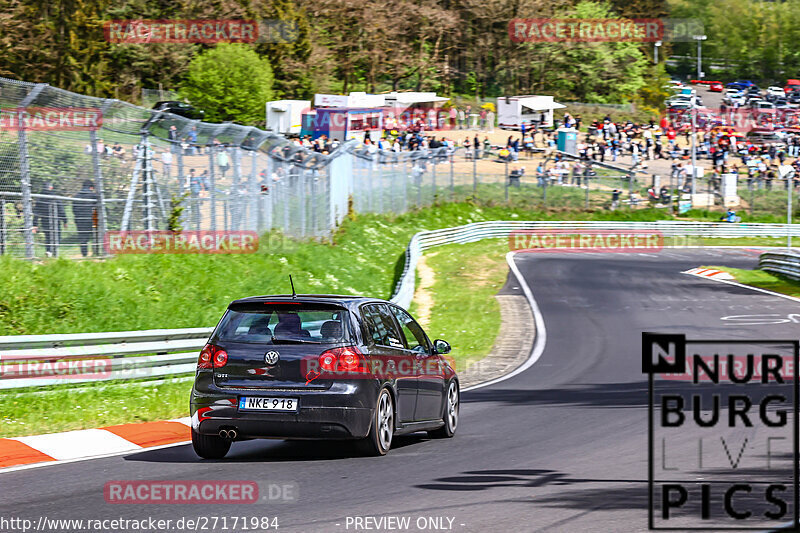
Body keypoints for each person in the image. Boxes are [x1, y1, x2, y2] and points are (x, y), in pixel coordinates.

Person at [33, 182, 67, 257]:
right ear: (51, 188)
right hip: (55, 220)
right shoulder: (55, 197)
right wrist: (65, 221)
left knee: (48, 236)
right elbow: (61, 210)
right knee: (57, 236)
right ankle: (54, 251)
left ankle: (49, 251)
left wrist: (35, 224)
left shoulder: (40, 198)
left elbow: (36, 212)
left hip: (45, 220)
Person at [73, 180, 97, 257]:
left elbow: (74, 209)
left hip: (80, 219)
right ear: (91, 187)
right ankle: (96, 252)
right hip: (91, 219)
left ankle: (84, 254)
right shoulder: (93, 195)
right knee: (95, 235)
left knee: (82, 237)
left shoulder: (76, 196)